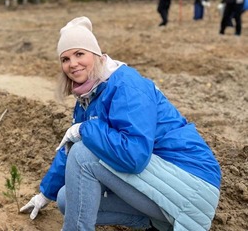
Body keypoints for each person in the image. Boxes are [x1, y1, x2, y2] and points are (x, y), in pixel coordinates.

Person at [20, 17, 221, 231]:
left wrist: (84, 129)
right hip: (162, 180)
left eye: (80, 54)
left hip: (191, 182)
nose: (73, 64)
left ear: (96, 54)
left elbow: (135, 156)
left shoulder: (126, 86)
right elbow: (69, 148)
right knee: (66, 199)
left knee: (83, 153)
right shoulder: (89, 97)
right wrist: (44, 194)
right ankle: (155, 224)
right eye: (65, 59)